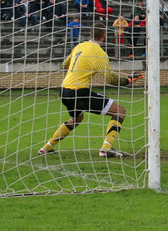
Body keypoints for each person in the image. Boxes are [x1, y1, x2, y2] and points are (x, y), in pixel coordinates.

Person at [38, 23, 143, 157]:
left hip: (64, 91)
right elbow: (110, 78)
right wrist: (128, 80)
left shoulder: (79, 46)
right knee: (119, 111)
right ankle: (106, 149)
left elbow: (64, 65)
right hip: (79, 92)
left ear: (90, 34)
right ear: (104, 35)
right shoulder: (99, 52)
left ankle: (46, 148)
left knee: (77, 118)